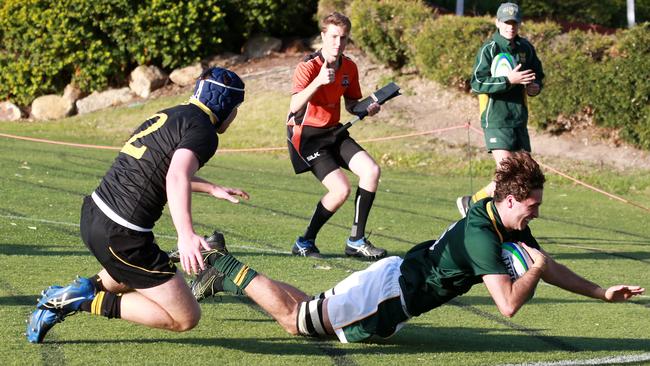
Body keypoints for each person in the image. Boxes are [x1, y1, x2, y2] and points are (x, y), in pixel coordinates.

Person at [189, 152, 644, 343]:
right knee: (297, 322)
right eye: (532, 205)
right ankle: (220, 261)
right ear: (509, 200)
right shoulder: (482, 235)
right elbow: (507, 304)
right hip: (389, 295)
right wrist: (534, 270)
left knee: (309, 307)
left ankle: (221, 272)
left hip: (392, 282)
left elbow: (549, 265)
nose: (536, 213)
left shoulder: (502, 219)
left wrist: (600, 292)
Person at [26, 67, 250, 344]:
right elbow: (176, 175)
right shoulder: (204, 131)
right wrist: (186, 235)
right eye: (237, 108)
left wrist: (211, 187)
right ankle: (76, 301)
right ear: (226, 104)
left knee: (129, 273)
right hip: (121, 234)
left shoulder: (170, 114)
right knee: (185, 317)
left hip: (95, 215)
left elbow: (156, 169)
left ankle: (78, 292)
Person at [286, 12, 387, 260]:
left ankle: (356, 240)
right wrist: (318, 81)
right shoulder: (308, 67)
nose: (337, 43)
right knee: (340, 190)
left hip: (334, 130)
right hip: (306, 135)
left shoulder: (349, 67)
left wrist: (368, 108)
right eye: (333, 37)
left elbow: (352, 104)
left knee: (371, 171)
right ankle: (304, 241)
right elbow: (295, 105)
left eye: (343, 38)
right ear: (323, 36)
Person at [457, 2, 545, 218]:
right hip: (496, 119)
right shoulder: (490, 49)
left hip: (518, 119)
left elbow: (537, 76)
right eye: (506, 22)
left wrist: (535, 87)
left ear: (519, 24)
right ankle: (492, 214)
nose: (510, 27)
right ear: (498, 23)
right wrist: (508, 80)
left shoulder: (526, 48)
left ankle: (472, 203)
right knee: (507, 170)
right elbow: (477, 83)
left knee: (523, 172)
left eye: (514, 22)